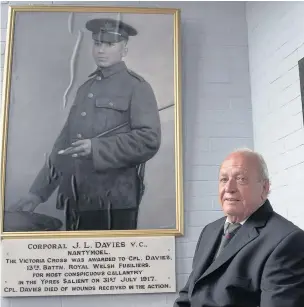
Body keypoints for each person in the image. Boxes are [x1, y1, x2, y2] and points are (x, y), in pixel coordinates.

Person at [9, 18, 161, 231]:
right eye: (98, 44)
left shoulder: (137, 87)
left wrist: (96, 148)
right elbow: (64, 145)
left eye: (110, 44)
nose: (101, 50)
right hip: (77, 199)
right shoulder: (86, 88)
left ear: (124, 50)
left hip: (114, 203)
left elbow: (148, 140)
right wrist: (37, 193)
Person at [174, 148, 304, 307]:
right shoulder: (210, 231)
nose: (229, 188)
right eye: (223, 179)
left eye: (241, 179)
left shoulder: (287, 241)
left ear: (264, 188)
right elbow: (188, 295)